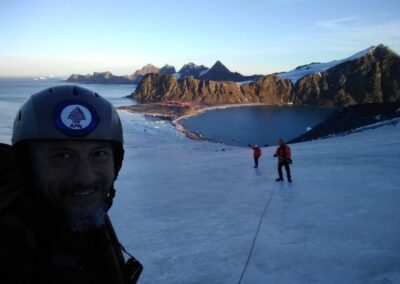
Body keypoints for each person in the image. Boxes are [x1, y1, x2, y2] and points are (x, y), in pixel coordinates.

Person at [0, 85, 142, 283]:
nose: (86, 178)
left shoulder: (92, 230)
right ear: (27, 166)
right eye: (62, 156)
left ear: (115, 163)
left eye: (98, 154)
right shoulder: (9, 249)